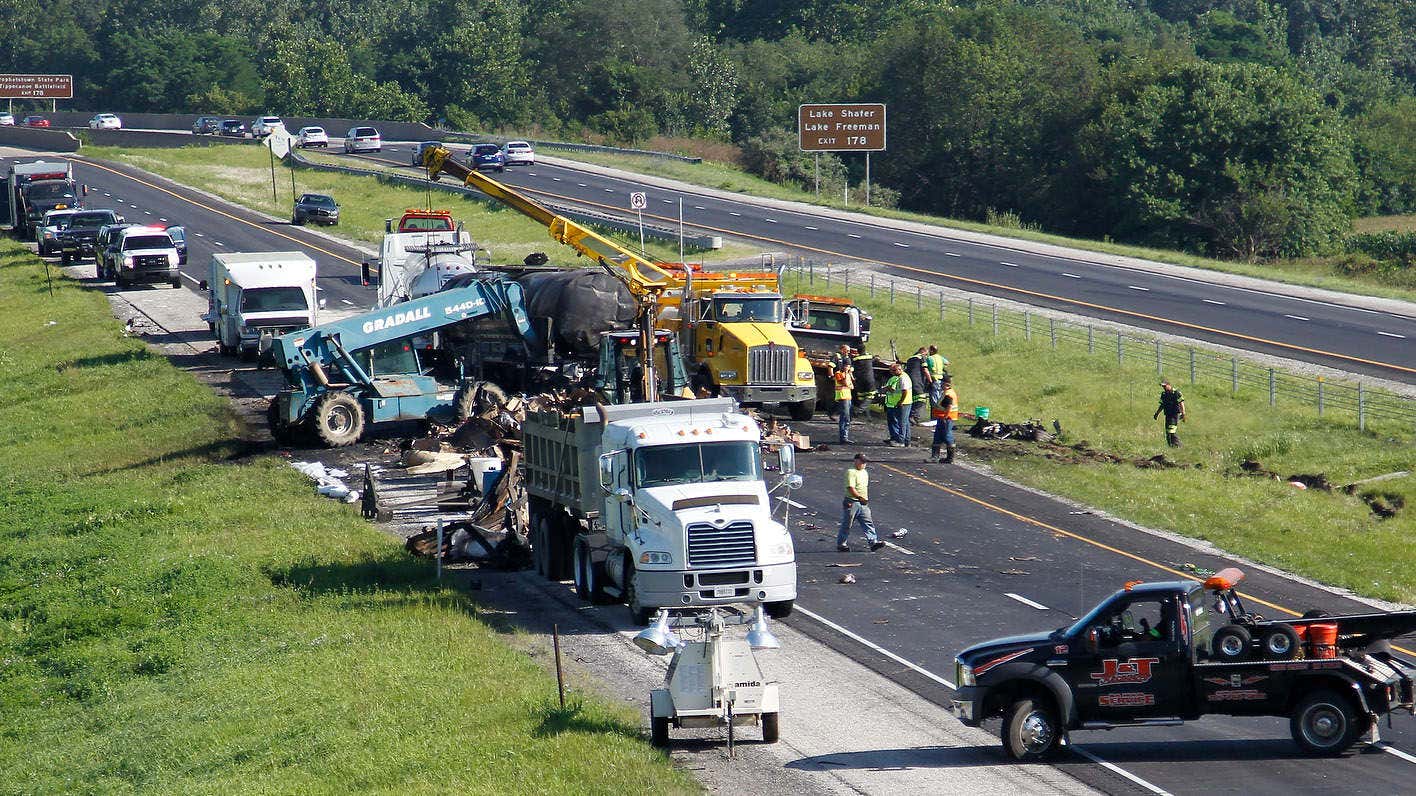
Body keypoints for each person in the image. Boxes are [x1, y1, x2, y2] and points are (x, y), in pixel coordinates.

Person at [838, 453, 885, 552]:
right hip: (852, 502)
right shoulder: (851, 472)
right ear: (856, 460)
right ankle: (841, 543)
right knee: (847, 524)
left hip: (863, 503)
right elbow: (850, 487)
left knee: (868, 523)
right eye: (862, 462)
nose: (864, 464)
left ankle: (873, 542)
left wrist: (863, 499)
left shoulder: (864, 472)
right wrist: (859, 497)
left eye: (865, 462)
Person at [930, 376, 959, 463]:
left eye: (942, 383)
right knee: (937, 436)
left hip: (946, 418)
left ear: (946, 384)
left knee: (947, 436)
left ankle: (950, 458)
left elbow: (949, 406)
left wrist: (945, 416)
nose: (940, 385)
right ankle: (935, 457)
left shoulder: (948, 394)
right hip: (942, 417)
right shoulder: (946, 392)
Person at [882, 362, 912, 446]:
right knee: (904, 422)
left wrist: (901, 401)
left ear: (900, 369)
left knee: (902, 422)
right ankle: (906, 440)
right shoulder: (898, 377)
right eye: (892, 370)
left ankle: (901, 441)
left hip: (904, 403)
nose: (893, 372)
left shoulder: (903, 378)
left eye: (894, 370)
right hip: (901, 402)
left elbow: (905, 391)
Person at [1153, 380, 1186, 447]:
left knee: (1171, 431)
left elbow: (1181, 403)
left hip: (1175, 414)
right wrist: (1157, 413)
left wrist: (1183, 414)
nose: (1164, 388)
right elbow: (1162, 405)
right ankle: (1171, 446)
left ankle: (1178, 445)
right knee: (1168, 432)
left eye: (1165, 386)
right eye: (1163, 386)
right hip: (1168, 414)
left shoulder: (1176, 393)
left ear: (1169, 385)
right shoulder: (1164, 394)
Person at [834, 357, 855, 444]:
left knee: (848, 417)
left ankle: (845, 437)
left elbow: (852, 386)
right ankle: (843, 437)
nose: (847, 367)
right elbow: (845, 383)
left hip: (848, 397)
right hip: (842, 397)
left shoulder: (848, 374)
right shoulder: (838, 373)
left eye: (849, 366)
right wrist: (847, 374)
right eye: (846, 366)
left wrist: (850, 375)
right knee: (845, 417)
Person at [906, 347, 929, 424]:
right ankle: (912, 416)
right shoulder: (921, 357)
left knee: (913, 398)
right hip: (917, 379)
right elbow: (925, 370)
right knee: (921, 398)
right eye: (926, 354)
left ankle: (912, 416)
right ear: (923, 352)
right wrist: (930, 380)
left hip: (909, 380)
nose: (926, 356)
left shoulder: (910, 358)